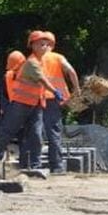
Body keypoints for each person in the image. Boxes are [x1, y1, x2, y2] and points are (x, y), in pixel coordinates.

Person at [0, 31, 59, 171]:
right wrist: (55, 92)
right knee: (7, 132)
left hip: (35, 105)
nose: (45, 47)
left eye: (47, 44)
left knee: (35, 135)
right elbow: (42, 80)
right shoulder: (31, 63)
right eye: (41, 44)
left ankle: (32, 165)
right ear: (33, 46)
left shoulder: (40, 62)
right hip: (21, 104)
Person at [40, 31, 81, 175]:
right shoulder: (58, 57)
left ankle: (32, 163)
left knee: (35, 130)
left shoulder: (34, 58)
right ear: (52, 44)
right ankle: (56, 166)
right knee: (54, 132)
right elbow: (71, 71)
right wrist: (77, 89)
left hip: (37, 98)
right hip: (55, 99)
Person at [2, 50, 39, 169]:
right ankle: (28, 163)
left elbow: (5, 95)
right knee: (29, 135)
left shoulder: (9, 75)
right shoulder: (24, 74)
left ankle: (27, 163)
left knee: (25, 136)